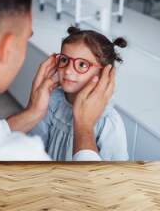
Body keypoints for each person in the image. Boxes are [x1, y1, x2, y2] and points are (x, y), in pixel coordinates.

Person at [0, 0, 116, 161]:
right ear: (6, 49)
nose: (68, 70)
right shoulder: (21, 153)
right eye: (26, 40)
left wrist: (33, 112)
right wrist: (84, 129)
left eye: (81, 64)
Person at [29, 26, 129, 161]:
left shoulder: (108, 121)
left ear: (104, 74)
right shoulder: (51, 101)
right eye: (64, 60)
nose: (68, 71)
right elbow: (35, 144)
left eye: (82, 64)